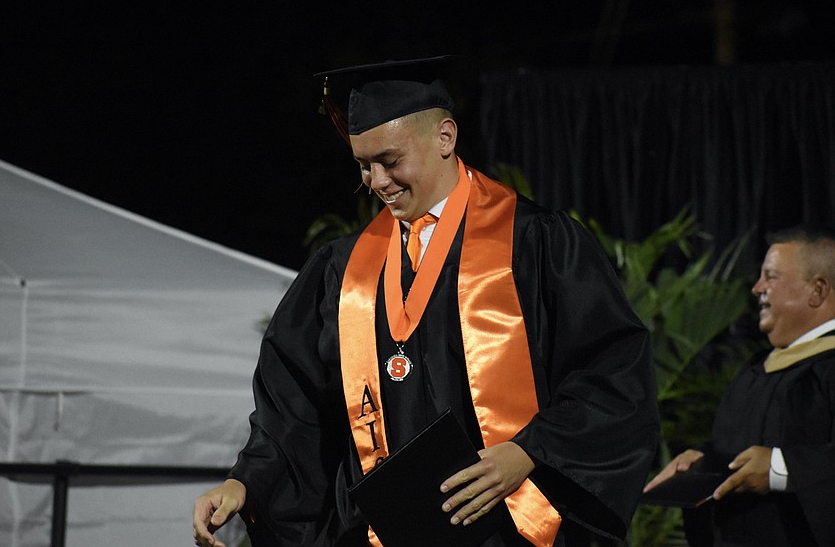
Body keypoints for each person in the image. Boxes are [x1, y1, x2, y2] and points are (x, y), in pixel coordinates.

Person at [193, 55, 660, 547]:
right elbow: (295, 402)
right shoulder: (342, 271)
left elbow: (611, 373)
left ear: (445, 138)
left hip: (509, 530)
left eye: (390, 161)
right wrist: (245, 481)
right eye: (363, 165)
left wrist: (527, 453)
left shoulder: (536, 244)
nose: (375, 181)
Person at [643, 225, 835, 547]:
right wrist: (701, 461)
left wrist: (779, 468)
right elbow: (744, 444)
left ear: (817, 290)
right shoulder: (755, 370)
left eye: (771, 277)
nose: (756, 288)